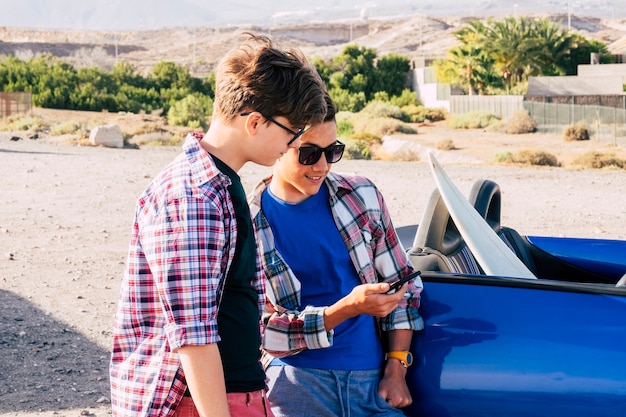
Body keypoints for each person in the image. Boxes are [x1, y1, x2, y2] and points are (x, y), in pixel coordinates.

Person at [109, 33, 328, 417]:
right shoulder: (194, 196)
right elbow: (193, 337)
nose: (294, 143)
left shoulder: (221, 185)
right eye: (292, 132)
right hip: (197, 403)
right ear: (255, 122)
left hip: (226, 396)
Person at [249, 94, 424, 417]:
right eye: (309, 153)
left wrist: (396, 368)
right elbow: (264, 331)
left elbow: (405, 288)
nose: (323, 166)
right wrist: (345, 310)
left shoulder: (361, 195)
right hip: (295, 385)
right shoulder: (250, 224)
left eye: (333, 152)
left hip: (370, 384)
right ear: (278, 147)